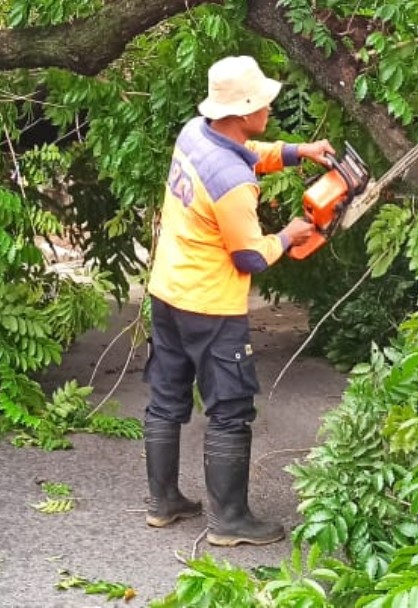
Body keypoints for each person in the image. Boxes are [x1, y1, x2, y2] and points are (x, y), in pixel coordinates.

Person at [143, 55, 335, 547]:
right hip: (210, 307)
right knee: (230, 409)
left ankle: (163, 504)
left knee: (166, 399)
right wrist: (289, 235)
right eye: (264, 103)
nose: (270, 108)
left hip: (168, 292)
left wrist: (299, 152)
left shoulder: (195, 133)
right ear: (247, 110)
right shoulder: (232, 183)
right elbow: (250, 256)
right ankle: (229, 521)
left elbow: (247, 152)